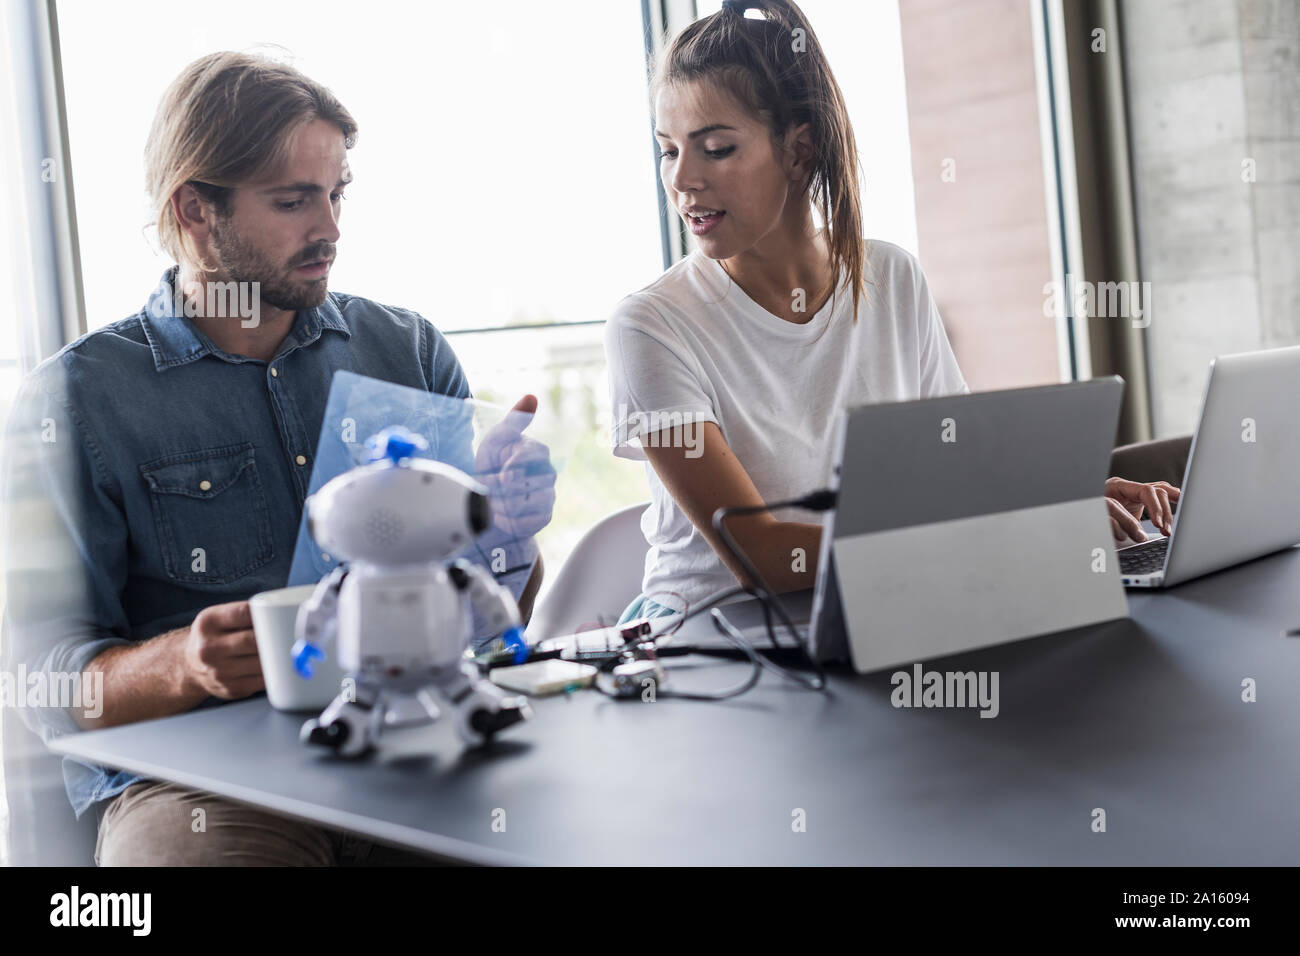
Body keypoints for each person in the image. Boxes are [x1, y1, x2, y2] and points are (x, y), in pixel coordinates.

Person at [1, 51, 554, 866]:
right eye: (294, 202)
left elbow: (491, 614)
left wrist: (507, 533)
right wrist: (184, 664)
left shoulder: (406, 351)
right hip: (201, 781)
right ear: (196, 209)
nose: (330, 228)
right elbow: (40, 683)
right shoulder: (73, 403)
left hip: (411, 730)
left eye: (337, 194)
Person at [604, 0, 1178, 622]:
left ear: (799, 152)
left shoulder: (892, 277)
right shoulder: (651, 326)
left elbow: (955, 465)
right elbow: (764, 556)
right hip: (715, 641)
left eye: (715, 148)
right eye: (668, 151)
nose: (682, 179)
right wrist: (992, 543)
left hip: (880, 607)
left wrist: (1060, 502)